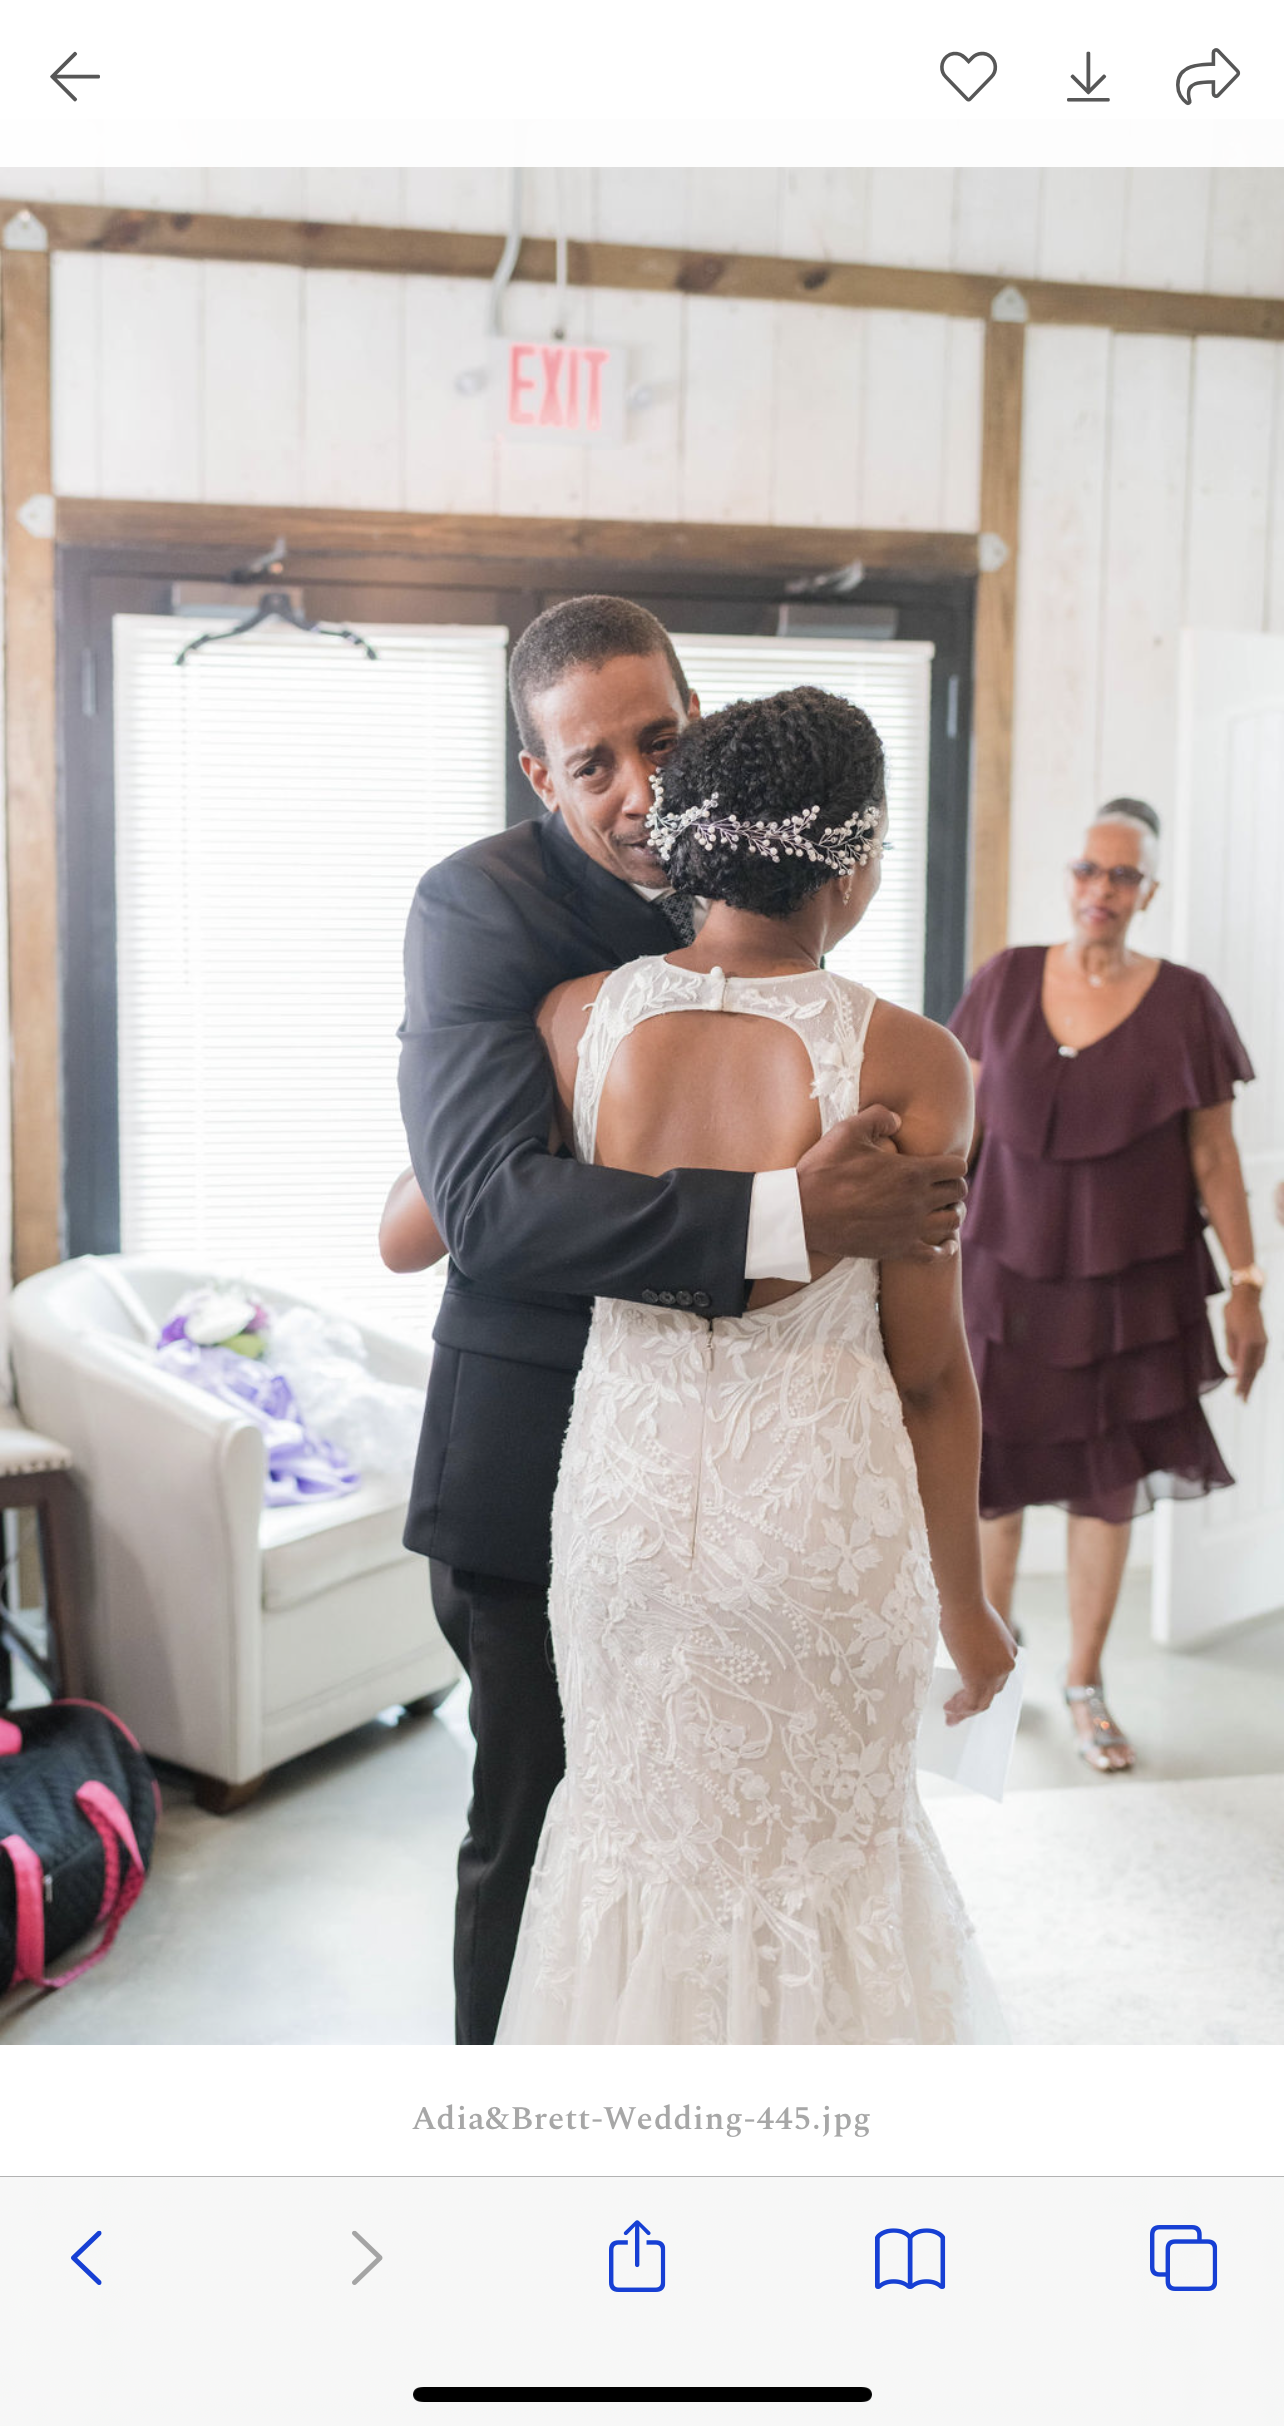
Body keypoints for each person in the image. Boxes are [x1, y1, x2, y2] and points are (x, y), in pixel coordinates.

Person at [396, 597, 972, 2045]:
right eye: (594, 764)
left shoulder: (680, 955)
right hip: (546, 1442)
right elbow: (481, 1211)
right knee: (544, 1830)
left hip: (778, 1475)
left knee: (768, 1839)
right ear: (541, 775)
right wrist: (797, 1214)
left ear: (701, 718)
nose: (641, 790)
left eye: (661, 740)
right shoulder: (482, 916)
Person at [949, 799, 1266, 1774]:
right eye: (1089, 870)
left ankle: (1084, 1681)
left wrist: (1247, 1281)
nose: (1101, 890)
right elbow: (951, 1122)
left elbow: (1214, 1152)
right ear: (1070, 878)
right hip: (1002, 1274)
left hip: (1129, 1288)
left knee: (1104, 1492)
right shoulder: (1002, 982)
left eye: (1123, 876)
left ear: (1149, 892)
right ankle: (989, 1674)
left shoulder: (1188, 1003)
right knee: (989, 1485)